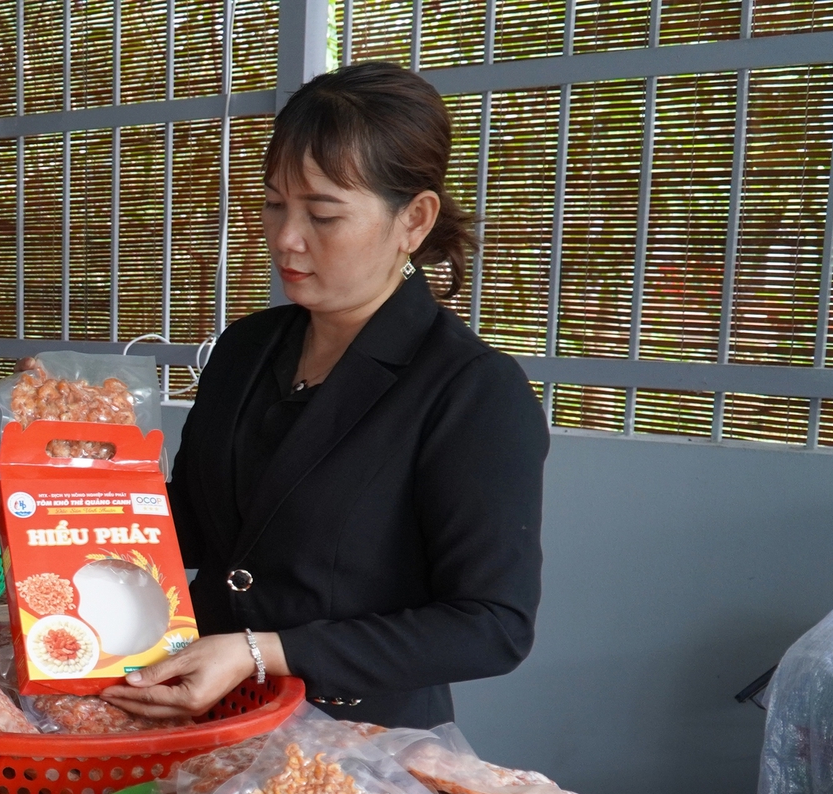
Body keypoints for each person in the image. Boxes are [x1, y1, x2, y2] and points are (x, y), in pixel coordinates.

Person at [103, 62, 549, 729]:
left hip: (358, 750)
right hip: (200, 718)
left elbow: (490, 625)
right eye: (275, 203)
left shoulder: (471, 390)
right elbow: (190, 528)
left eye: (323, 214)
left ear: (415, 219)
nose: (286, 238)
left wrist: (262, 652)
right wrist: (64, 495)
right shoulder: (247, 350)